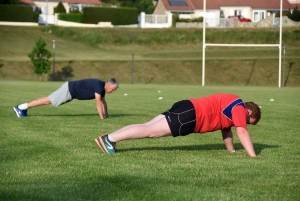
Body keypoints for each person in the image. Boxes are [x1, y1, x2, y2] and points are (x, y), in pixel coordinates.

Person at [95, 93, 261, 157]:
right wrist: (253, 157)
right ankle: (109, 139)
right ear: (249, 111)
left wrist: (232, 151)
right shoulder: (239, 107)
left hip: (187, 106)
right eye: (248, 121)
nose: (243, 123)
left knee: (147, 126)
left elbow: (227, 133)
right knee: (151, 131)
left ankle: (109, 139)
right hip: (191, 116)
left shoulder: (231, 106)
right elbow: (242, 133)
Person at [13, 78, 119, 119]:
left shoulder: (101, 88)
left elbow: (103, 103)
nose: (113, 92)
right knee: (48, 100)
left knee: (48, 100)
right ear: (108, 85)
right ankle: (21, 107)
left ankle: (23, 108)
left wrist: (107, 115)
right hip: (69, 89)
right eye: (113, 89)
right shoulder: (99, 85)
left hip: (71, 92)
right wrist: (102, 118)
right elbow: (98, 103)